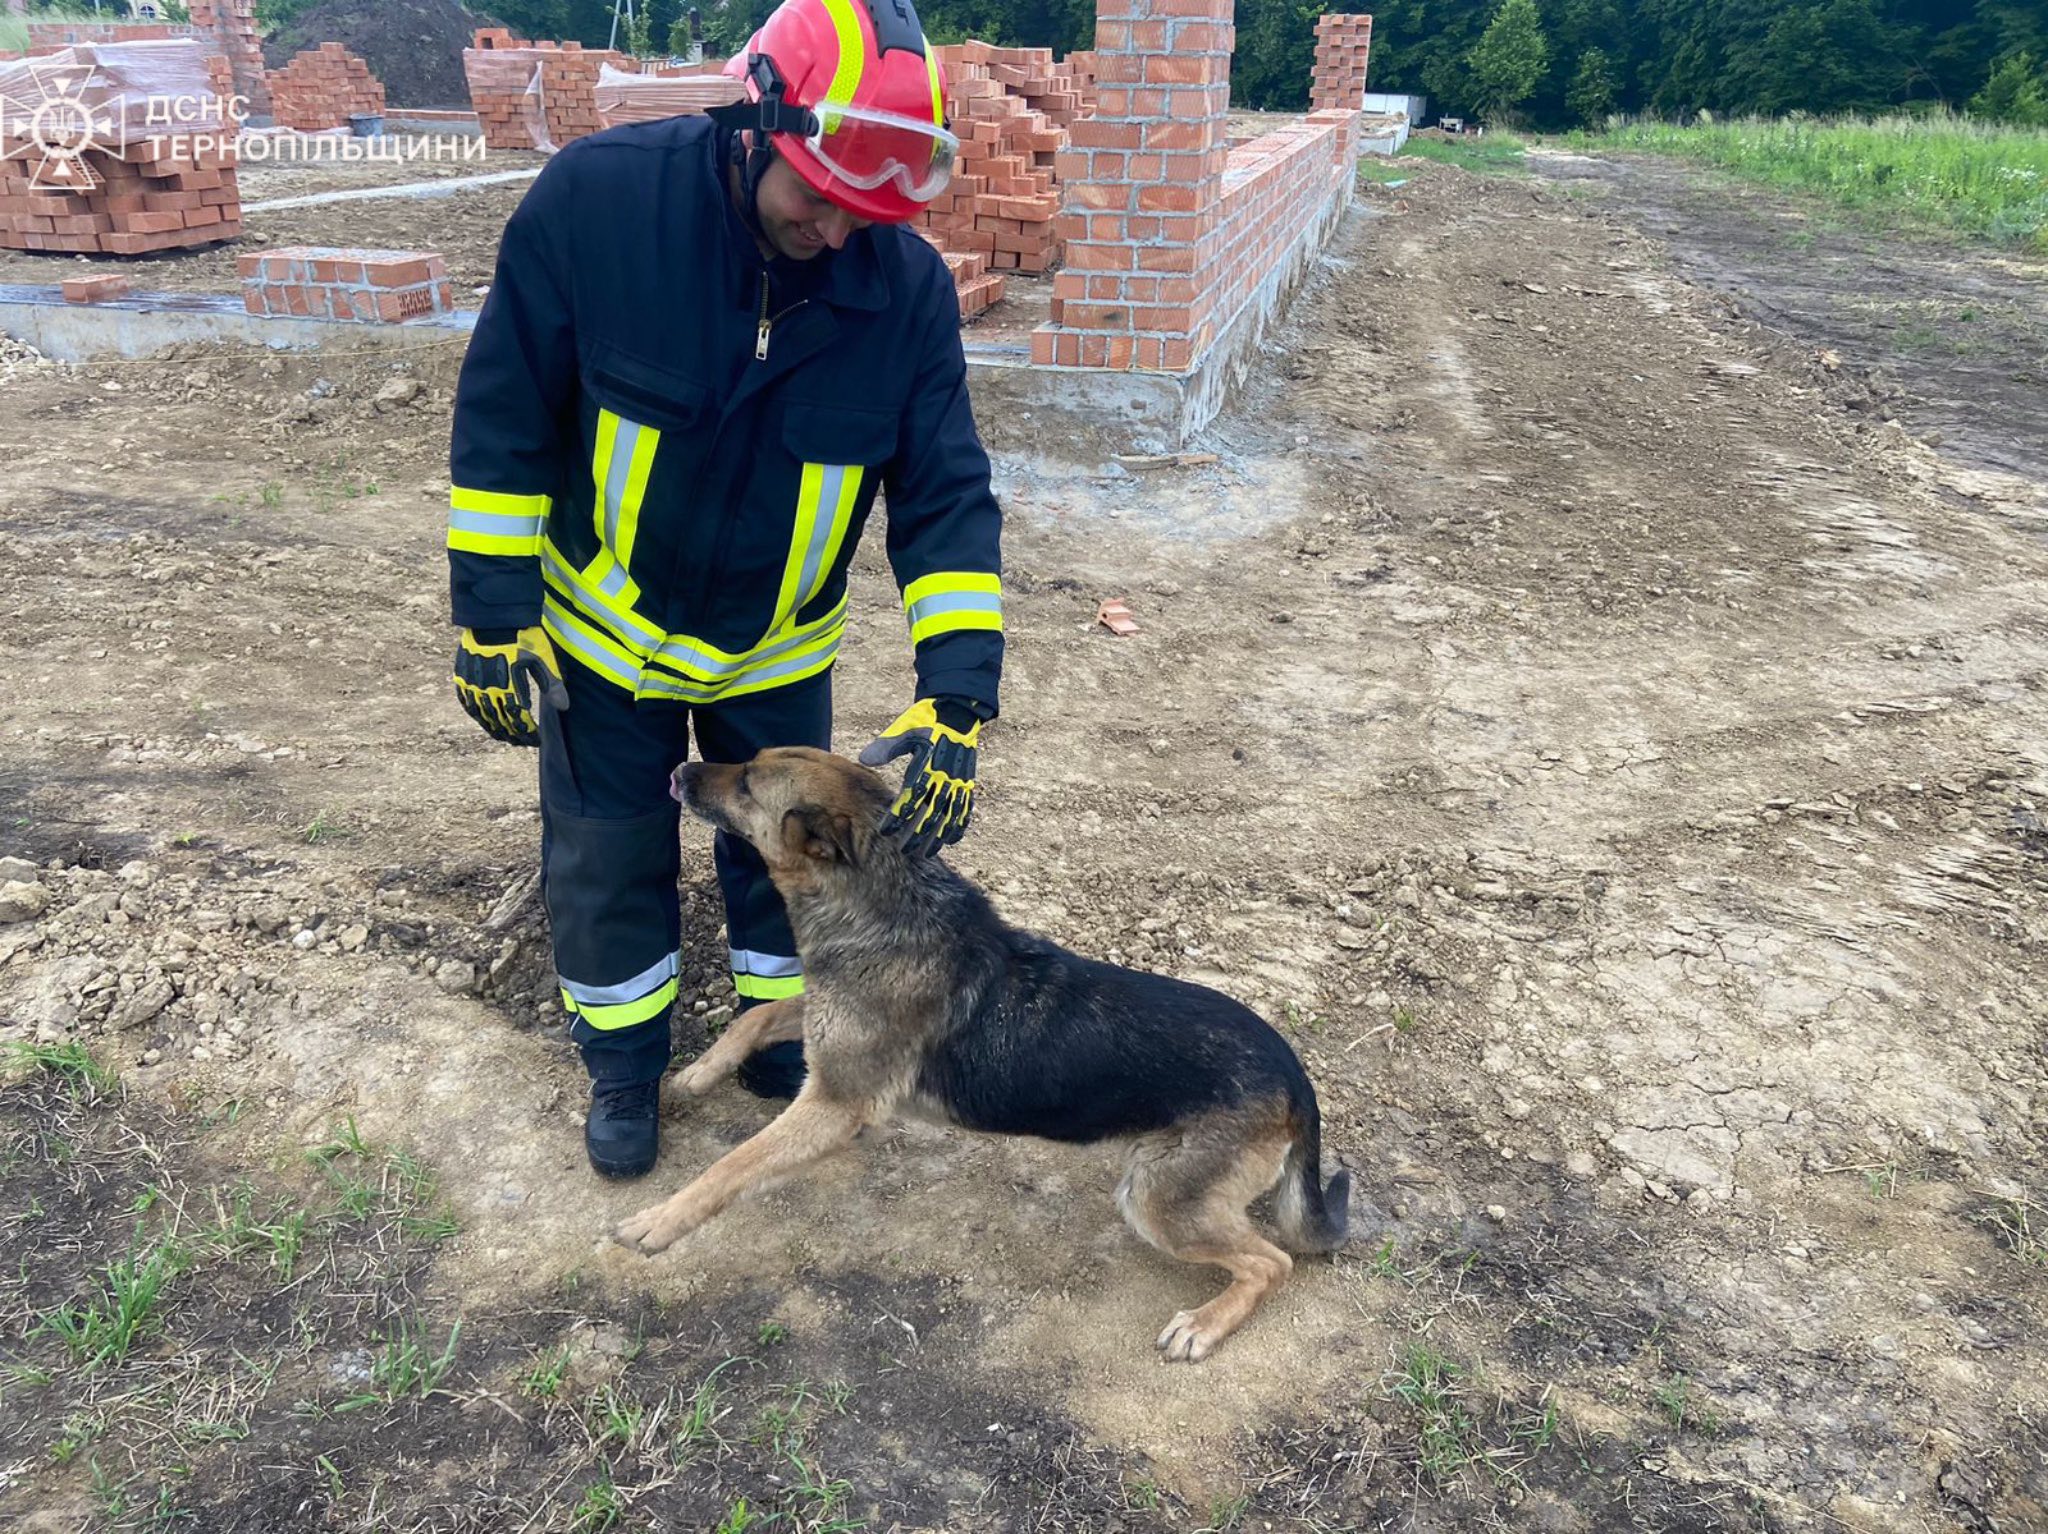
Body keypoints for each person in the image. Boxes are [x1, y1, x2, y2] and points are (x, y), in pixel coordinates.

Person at [445, 0, 1004, 1180]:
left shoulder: (897, 292)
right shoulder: (600, 207)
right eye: (819, 192)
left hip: (773, 647)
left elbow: (944, 495)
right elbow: (505, 418)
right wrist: (491, 616)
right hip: (603, 634)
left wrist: (955, 692)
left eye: (872, 208)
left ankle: (771, 1037)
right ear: (752, 121)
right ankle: (622, 1059)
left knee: (784, 860)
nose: (841, 228)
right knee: (606, 850)